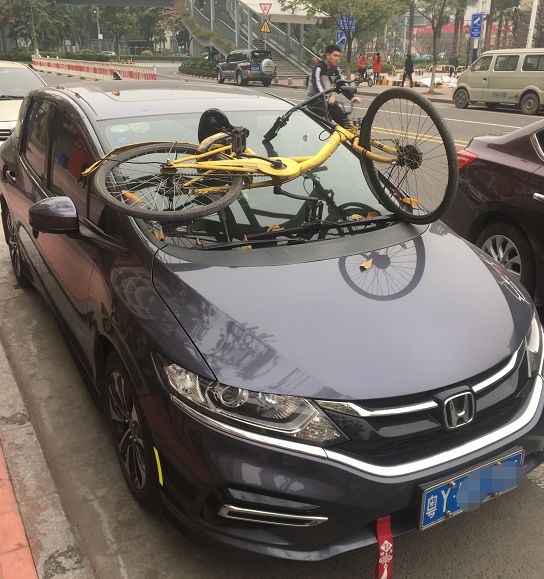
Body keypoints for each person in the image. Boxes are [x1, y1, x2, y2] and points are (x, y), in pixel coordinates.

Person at [306, 44, 361, 128]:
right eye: (335, 55)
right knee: (327, 126)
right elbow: (316, 83)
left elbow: (341, 85)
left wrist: (352, 97)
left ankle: (347, 131)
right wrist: (325, 97)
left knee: (344, 121)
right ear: (328, 55)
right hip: (314, 103)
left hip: (328, 103)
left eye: (339, 56)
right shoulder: (319, 68)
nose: (337, 58)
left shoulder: (334, 70)